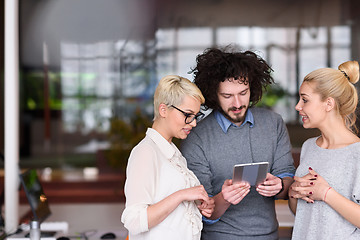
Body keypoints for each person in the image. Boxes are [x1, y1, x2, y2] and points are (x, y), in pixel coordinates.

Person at [181, 46, 295, 240]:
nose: (237, 103)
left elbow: (288, 182)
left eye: (243, 92)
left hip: (269, 236)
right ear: (213, 94)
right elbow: (201, 212)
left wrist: (280, 186)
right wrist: (224, 199)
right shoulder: (197, 136)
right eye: (227, 96)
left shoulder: (273, 123)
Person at [121, 75, 215, 240]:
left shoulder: (174, 154)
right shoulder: (146, 152)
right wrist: (182, 195)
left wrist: (198, 206)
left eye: (196, 116)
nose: (193, 123)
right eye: (188, 114)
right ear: (163, 110)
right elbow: (134, 220)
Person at [288, 61, 360, 239]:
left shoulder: (356, 153)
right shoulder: (309, 147)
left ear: (328, 104)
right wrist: (293, 193)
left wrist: (326, 194)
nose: (298, 106)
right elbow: (303, 214)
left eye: (304, 100)